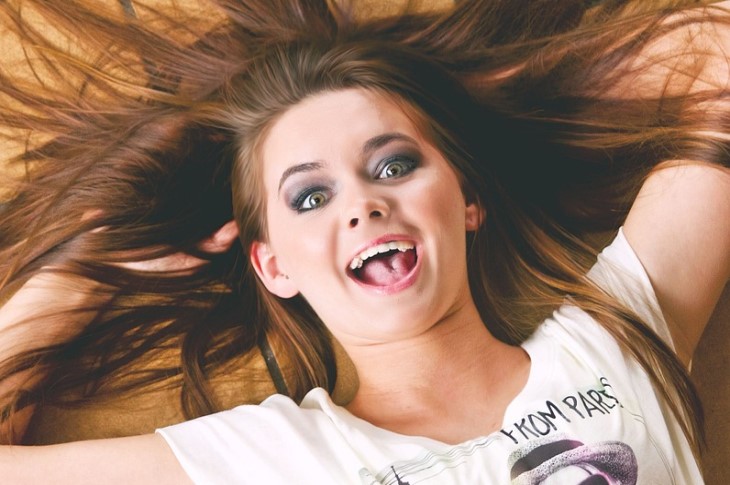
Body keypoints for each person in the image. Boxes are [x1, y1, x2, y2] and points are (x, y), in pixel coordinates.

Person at [0, 0, 728, 482]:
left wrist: (496, 91)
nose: (363, 203)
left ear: (467, 200)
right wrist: (87, 264)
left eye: (395, 164)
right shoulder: (268, 458)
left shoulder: (616, 336)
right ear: (273, 266)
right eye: (311, 196)